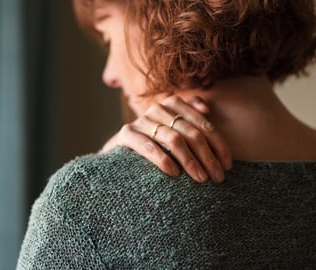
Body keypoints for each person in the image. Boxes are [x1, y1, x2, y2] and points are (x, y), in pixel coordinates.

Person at [17, 0, 316, 268]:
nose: (109, 75)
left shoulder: (82, 203)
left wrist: (99, 179)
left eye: (109, 38)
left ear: (156, 11)